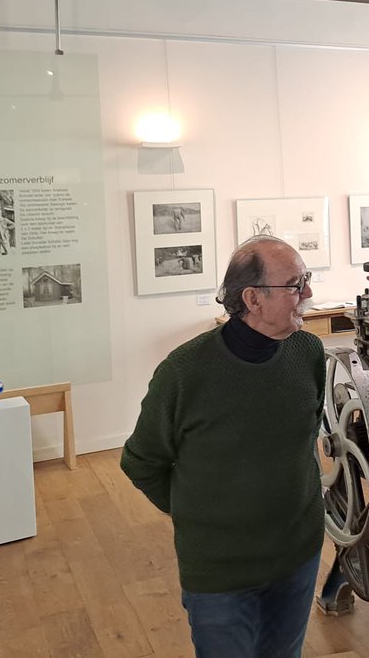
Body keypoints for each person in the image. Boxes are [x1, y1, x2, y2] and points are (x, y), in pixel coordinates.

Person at [121, 235, 326, 658]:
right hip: (221, 572)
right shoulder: (184, 372)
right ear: (252, 298)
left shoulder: (308, 351)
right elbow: (142, 461)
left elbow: (305, 440)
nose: (308, 294)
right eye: (295, 283)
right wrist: (200, 516)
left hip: (297, 556)